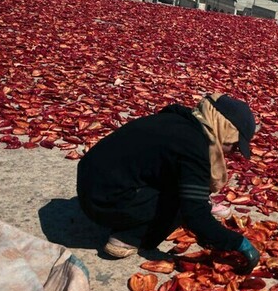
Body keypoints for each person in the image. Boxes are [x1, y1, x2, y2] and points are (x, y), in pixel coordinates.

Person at [76, 93, 260, 271]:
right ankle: (130, 237)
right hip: (102, 202)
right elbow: (195, 214)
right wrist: (237, 243)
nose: (233, 152)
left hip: (90, 184)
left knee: (183, 184)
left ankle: (132, 215)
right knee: (182, 202)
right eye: (235, 145)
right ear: (225, 129)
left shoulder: (180, 120)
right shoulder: (194, 147)